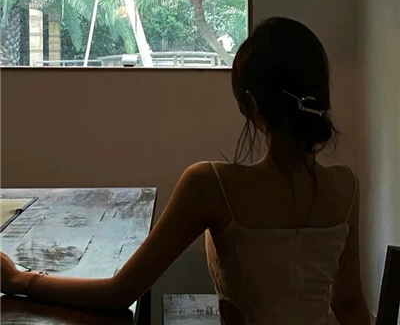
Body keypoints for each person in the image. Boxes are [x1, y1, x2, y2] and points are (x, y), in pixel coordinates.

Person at [1, 17, 371, 325]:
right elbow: (351, 304)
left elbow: (120, 292)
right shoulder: (346, 188)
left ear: (252, 106)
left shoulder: (211, 185)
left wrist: (20, 279)